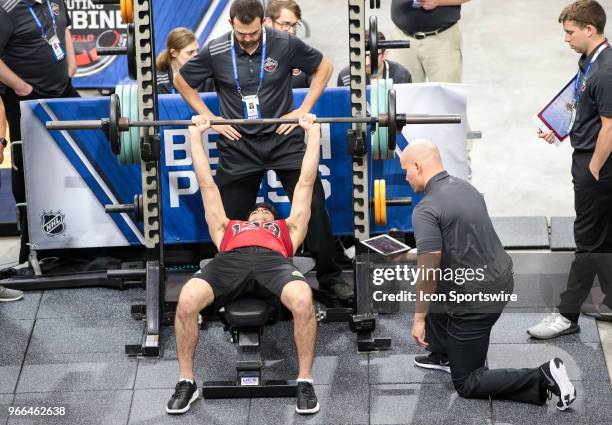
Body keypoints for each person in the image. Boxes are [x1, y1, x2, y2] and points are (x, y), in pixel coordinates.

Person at [174, 0, 353, 300]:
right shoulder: (216, 50)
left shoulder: (284, 42)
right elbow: (181, 80)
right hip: (238, 144)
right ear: (232, 24)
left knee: (315, 208)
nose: (248, 39)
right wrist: (214, 119)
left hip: (282, 139)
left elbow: (324, 67)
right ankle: (228, 278)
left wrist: (303, 109)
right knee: (226, 217)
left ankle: (330, 276)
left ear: (263, 23)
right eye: (242, 33)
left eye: (253, 32)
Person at [397, 140, 576, 410]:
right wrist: (405, 255)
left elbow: (429, 270)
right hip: (501, 279)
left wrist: (418, 318)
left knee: (468, 382)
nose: (405, 176)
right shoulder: (466, 188)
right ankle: (445, 354)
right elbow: (456, 248)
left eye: (405, 170)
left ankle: (542, 376)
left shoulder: (426, 209)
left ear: (417, 166)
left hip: (477, 301)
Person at [166, 113, 322, 415]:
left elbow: (305, 182)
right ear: (247, 217)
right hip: (229, 262)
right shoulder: (227, 227)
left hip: (272, 263)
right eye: (255, 211)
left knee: (303, 300)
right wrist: (195, 136)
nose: (259, 213)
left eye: (266, 211)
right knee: (186, 300)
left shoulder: (287, 228)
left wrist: (312, 133)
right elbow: (207, 184)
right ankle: (187, 381)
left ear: (274, 218)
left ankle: (305, 381)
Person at [529, 0, 612, 338]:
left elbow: (609, 127)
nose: (566, 39)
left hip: (598, 164)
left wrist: (592, 168)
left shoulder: (606, 72)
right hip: (590, 157)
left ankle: (566, 314)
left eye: (570, 32)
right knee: (605, 237)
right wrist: (560, 129)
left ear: (589, 29)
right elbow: (582, 102)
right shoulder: (590, 63)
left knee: (588, 241)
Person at [0, 0, 78, 265]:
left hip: (62, 91)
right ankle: (30, 245)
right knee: (28, 166)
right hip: (26, 98)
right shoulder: (6, 8)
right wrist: (21, 87)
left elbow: (63, 27)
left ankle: (79, 237)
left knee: (80, 153)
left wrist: (71, 62)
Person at [387, 0, 470, 83]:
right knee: (403, 93)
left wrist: (438, 2)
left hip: (442, 41)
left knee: (445, 93)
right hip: (402, 39)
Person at [336, 31, 412, 87]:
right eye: (362, 56)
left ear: (384, 54)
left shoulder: (402, 76)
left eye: (373, 56)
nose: (367, 62)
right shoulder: (346, 77)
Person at [263, 0, 311, 89]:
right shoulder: (252, 57)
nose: (292, 31)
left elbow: (324, 98)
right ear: (268, 22)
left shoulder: (306, 56)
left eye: (294, 25)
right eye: (286, 25)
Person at [156, 28, 215, 94]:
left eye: (197, 51)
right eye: (190, 53)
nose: (196, 56)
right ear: (174, 53)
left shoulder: (208, 78)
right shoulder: (157, 81)